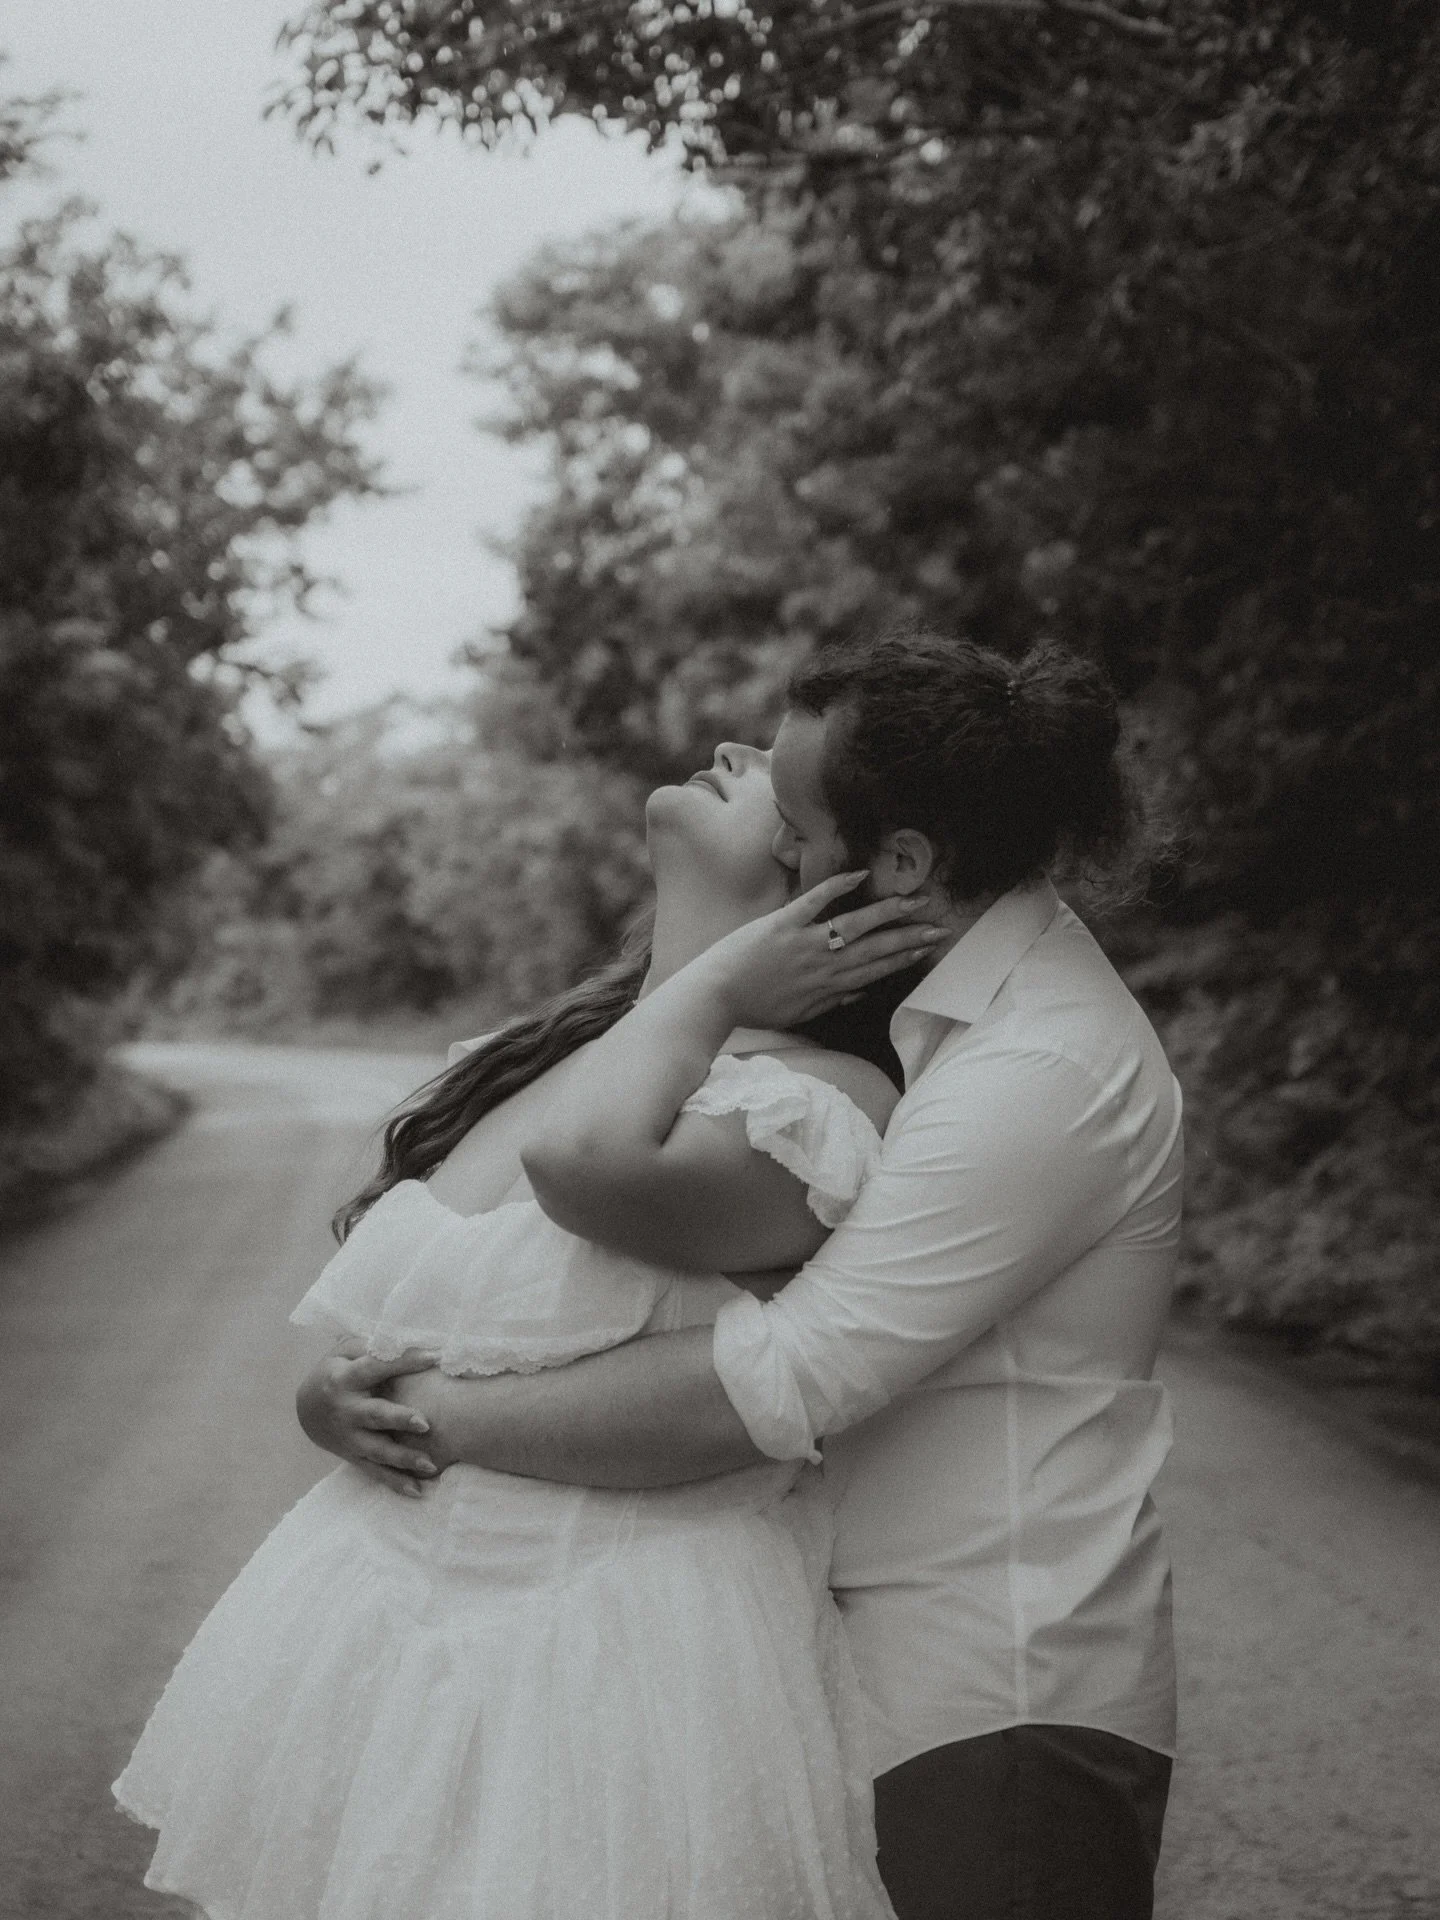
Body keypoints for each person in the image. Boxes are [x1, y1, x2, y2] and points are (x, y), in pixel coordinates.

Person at [303, 628, 1185, 1920]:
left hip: (992, 1689)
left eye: (799, 829)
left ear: (899, 863)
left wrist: (426, 1414)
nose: (775, 839)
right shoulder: (940, 1026)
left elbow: (782, 1380)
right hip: (851, 1665)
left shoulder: (1039, 1063)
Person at [112, 739, 946, 1920]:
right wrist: (331, 1399)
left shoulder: (812, 1107)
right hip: (386, 1625)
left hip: (602, 1662)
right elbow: (444, 1326)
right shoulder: (553, 1053)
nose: (732, 749)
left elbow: (676, 1326)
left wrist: (710, 992)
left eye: (770, 763)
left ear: (824, 876)